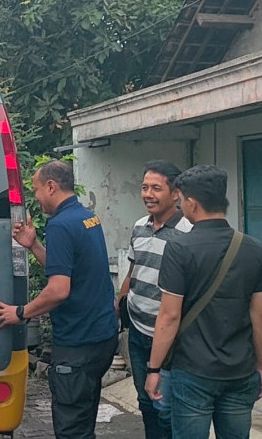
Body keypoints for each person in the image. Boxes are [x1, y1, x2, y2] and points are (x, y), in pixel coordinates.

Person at [0, 159, 118, 438]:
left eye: (36, 190)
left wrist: (21, 312)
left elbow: (59, 290)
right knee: (84, 423)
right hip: (101, 338)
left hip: (78, 344)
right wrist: (33, 244)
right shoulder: (85, 217)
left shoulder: (60, 225)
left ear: (51, 186)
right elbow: (68, 271)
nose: (35, 196)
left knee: (72, 429)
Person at [145, 164, 262, 438]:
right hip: (240, 370)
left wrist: (154, 369)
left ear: (191, 203)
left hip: (192, 371)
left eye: (180, 201)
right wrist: (260, 367)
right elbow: (259, 317)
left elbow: (169, 316)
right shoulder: (255, 250)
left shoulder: (179, 249)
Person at [116, 160, 191, 439]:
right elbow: (133, 270)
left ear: (175, 194)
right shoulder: (139, 226)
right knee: (145, 402)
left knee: (166, 406)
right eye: (145, 187)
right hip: (137, 331)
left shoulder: (187, 231)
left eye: (156, 188)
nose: (148, 194)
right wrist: (121, 304)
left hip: (170, 337)